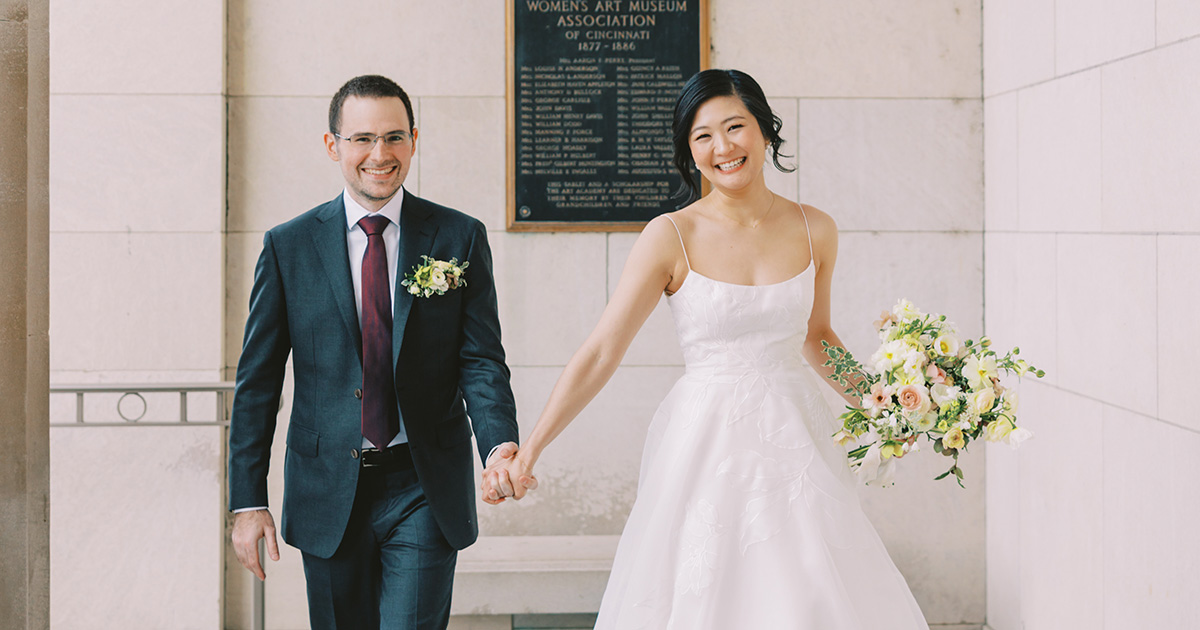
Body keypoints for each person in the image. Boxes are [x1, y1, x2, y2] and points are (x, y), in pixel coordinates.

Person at [483, 69, 930, 628]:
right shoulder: (670, 235)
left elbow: (817, 338)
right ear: (689, 151)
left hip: (798, 440)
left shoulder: (817, 228)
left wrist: (889, 405)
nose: (723, 147)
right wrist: (531, 449)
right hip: (705, 443)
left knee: (808, 586)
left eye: (736, 127)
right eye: (702, 136)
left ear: (765, 131)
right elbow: (602, 350)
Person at [228, 74, 525, 630]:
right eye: (362, 138)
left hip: (423, 484)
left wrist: (499, 446)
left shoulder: (458, 237)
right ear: (332, 145)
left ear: (414, 140)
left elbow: (480, 359)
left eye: (393, 137)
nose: (379, 155)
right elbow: (258, 384)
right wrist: (247, 501)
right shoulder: (287, 246)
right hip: (326, 489)